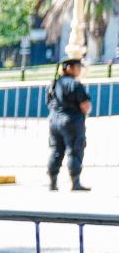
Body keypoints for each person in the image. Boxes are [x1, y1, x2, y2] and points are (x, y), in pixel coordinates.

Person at [46, 56, 93, 192]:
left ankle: (53, 182)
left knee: (56, 151)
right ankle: (75, 182)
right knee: (74, 151)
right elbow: (85, 105)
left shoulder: (54, 83)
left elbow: (49, 103)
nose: (79, 70)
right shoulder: (75, 84)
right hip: (72, 122)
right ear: (69, 68)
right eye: (78, 67)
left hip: (54, 121)